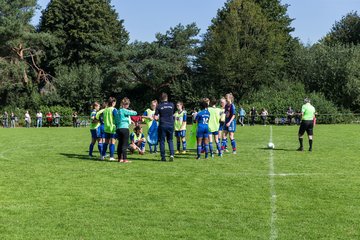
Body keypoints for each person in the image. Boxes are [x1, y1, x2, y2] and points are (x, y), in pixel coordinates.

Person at [115, 97, 137, 163]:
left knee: (120, 144)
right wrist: (131, 110)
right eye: (128, 104)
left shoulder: (118, 111)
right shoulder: (124, 110)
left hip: (118, 129)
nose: (128, 106)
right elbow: (135, 113)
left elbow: (115, 121)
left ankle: (119, 159)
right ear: (126, 104)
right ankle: (125, 159)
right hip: (124, 128)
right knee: (125, 144)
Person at [154, 93, 175, 162]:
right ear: (167, 98)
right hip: (171, 124)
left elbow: (156, 117)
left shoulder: (159, 106)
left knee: (162, 141)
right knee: (170, 140)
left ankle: (163, 157)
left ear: (161, 98)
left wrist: (155, 117)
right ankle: (172, 154)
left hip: (163, 124)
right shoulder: (172, 105)